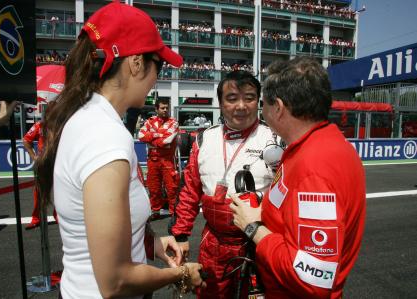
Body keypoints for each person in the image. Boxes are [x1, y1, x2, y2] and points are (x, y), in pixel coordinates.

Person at [34, 3, 205, 298]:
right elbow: (115, 281)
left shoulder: (87, 117)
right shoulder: (105, 136)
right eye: (158, 65)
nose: (157, 78)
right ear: (136, 63)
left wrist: (152, 243)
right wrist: (181, 273)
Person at [230, 57, 366, 298]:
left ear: (278, 108)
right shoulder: (317, 145)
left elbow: (311, 278)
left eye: (264, 104)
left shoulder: (314, 167)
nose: (262, 111)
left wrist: (254, 228)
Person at [169, 70, 278, 298]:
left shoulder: (274, 138)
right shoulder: (203, 138)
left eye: (249, 98)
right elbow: (189, 189)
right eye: (232, 98)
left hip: (259, 244)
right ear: (220, 103)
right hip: (214, 244)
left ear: (257, 101)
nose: (241, 106)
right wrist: (180, 235)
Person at [138, 97, 179, 218]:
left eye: (167, 108)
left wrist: (151, 139)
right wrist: (159, 135)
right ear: (157, 109)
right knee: (153, 188)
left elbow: (167, 141)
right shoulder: (149, 121)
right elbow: (141, 135)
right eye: (163, 108)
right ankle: (155, 211)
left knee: (172, 188)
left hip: (168, 161)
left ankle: (174, 213)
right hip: (153, 161)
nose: (165, 110)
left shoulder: (173, 123)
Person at [22, 108, 57, 230]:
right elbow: (26, 140)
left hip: (58, 162)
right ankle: (36, 218)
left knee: (60, 190)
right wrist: (34, 157)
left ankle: (58, 216)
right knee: (39, 192)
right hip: (42, 163)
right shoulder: (39, 125)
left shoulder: (61, 126)